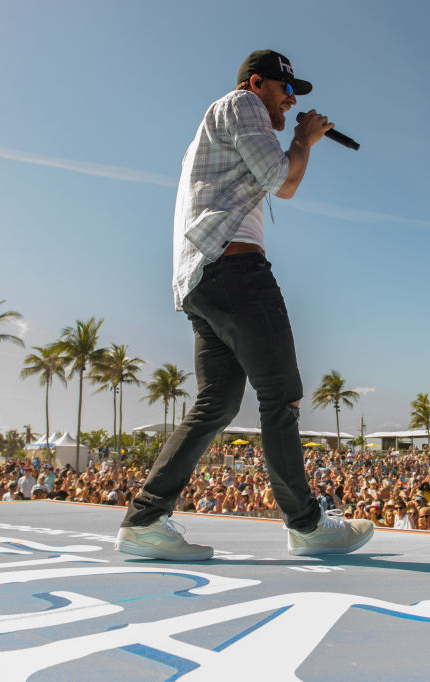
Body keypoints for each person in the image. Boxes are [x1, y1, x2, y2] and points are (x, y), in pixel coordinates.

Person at [116, 49, 373, 561]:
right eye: (286, 88)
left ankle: (144, 520)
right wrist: (303, 139)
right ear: (258, 83)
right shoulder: (243, 106)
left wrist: (296, 140)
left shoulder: (211, 130)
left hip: (200, 280)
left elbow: (268, 179)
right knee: (281, 395)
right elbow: (285, 181)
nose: (292, 98)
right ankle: (306, 524)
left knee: (218, 403)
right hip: (235, 271)